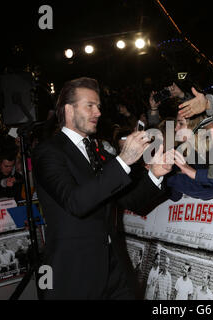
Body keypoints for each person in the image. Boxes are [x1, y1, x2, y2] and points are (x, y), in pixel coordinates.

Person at [32, 77, 174, 300]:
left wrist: (155, 174)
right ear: (69, 110)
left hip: (113, 266)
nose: (98, 112)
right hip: (72, 272)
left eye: (98, 106)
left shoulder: (96, 151)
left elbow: (131, 200)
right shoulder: (48, 152)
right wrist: (123, 160)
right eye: (90, 105)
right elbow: (76, 202)